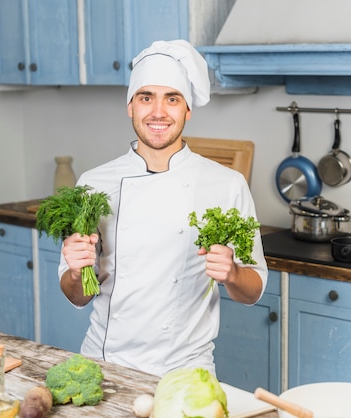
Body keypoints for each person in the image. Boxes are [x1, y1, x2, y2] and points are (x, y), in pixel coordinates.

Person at [57, 39, 268, 377]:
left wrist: (231, 274)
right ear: (130, 106)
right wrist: (75, 270)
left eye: (172, 98)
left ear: (187, 110)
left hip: (185, 371)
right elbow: (77, 297)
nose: (158, 112)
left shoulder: (226, 185)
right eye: (146, 97)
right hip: (103, 361)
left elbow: (253, 289)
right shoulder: (94, 183)